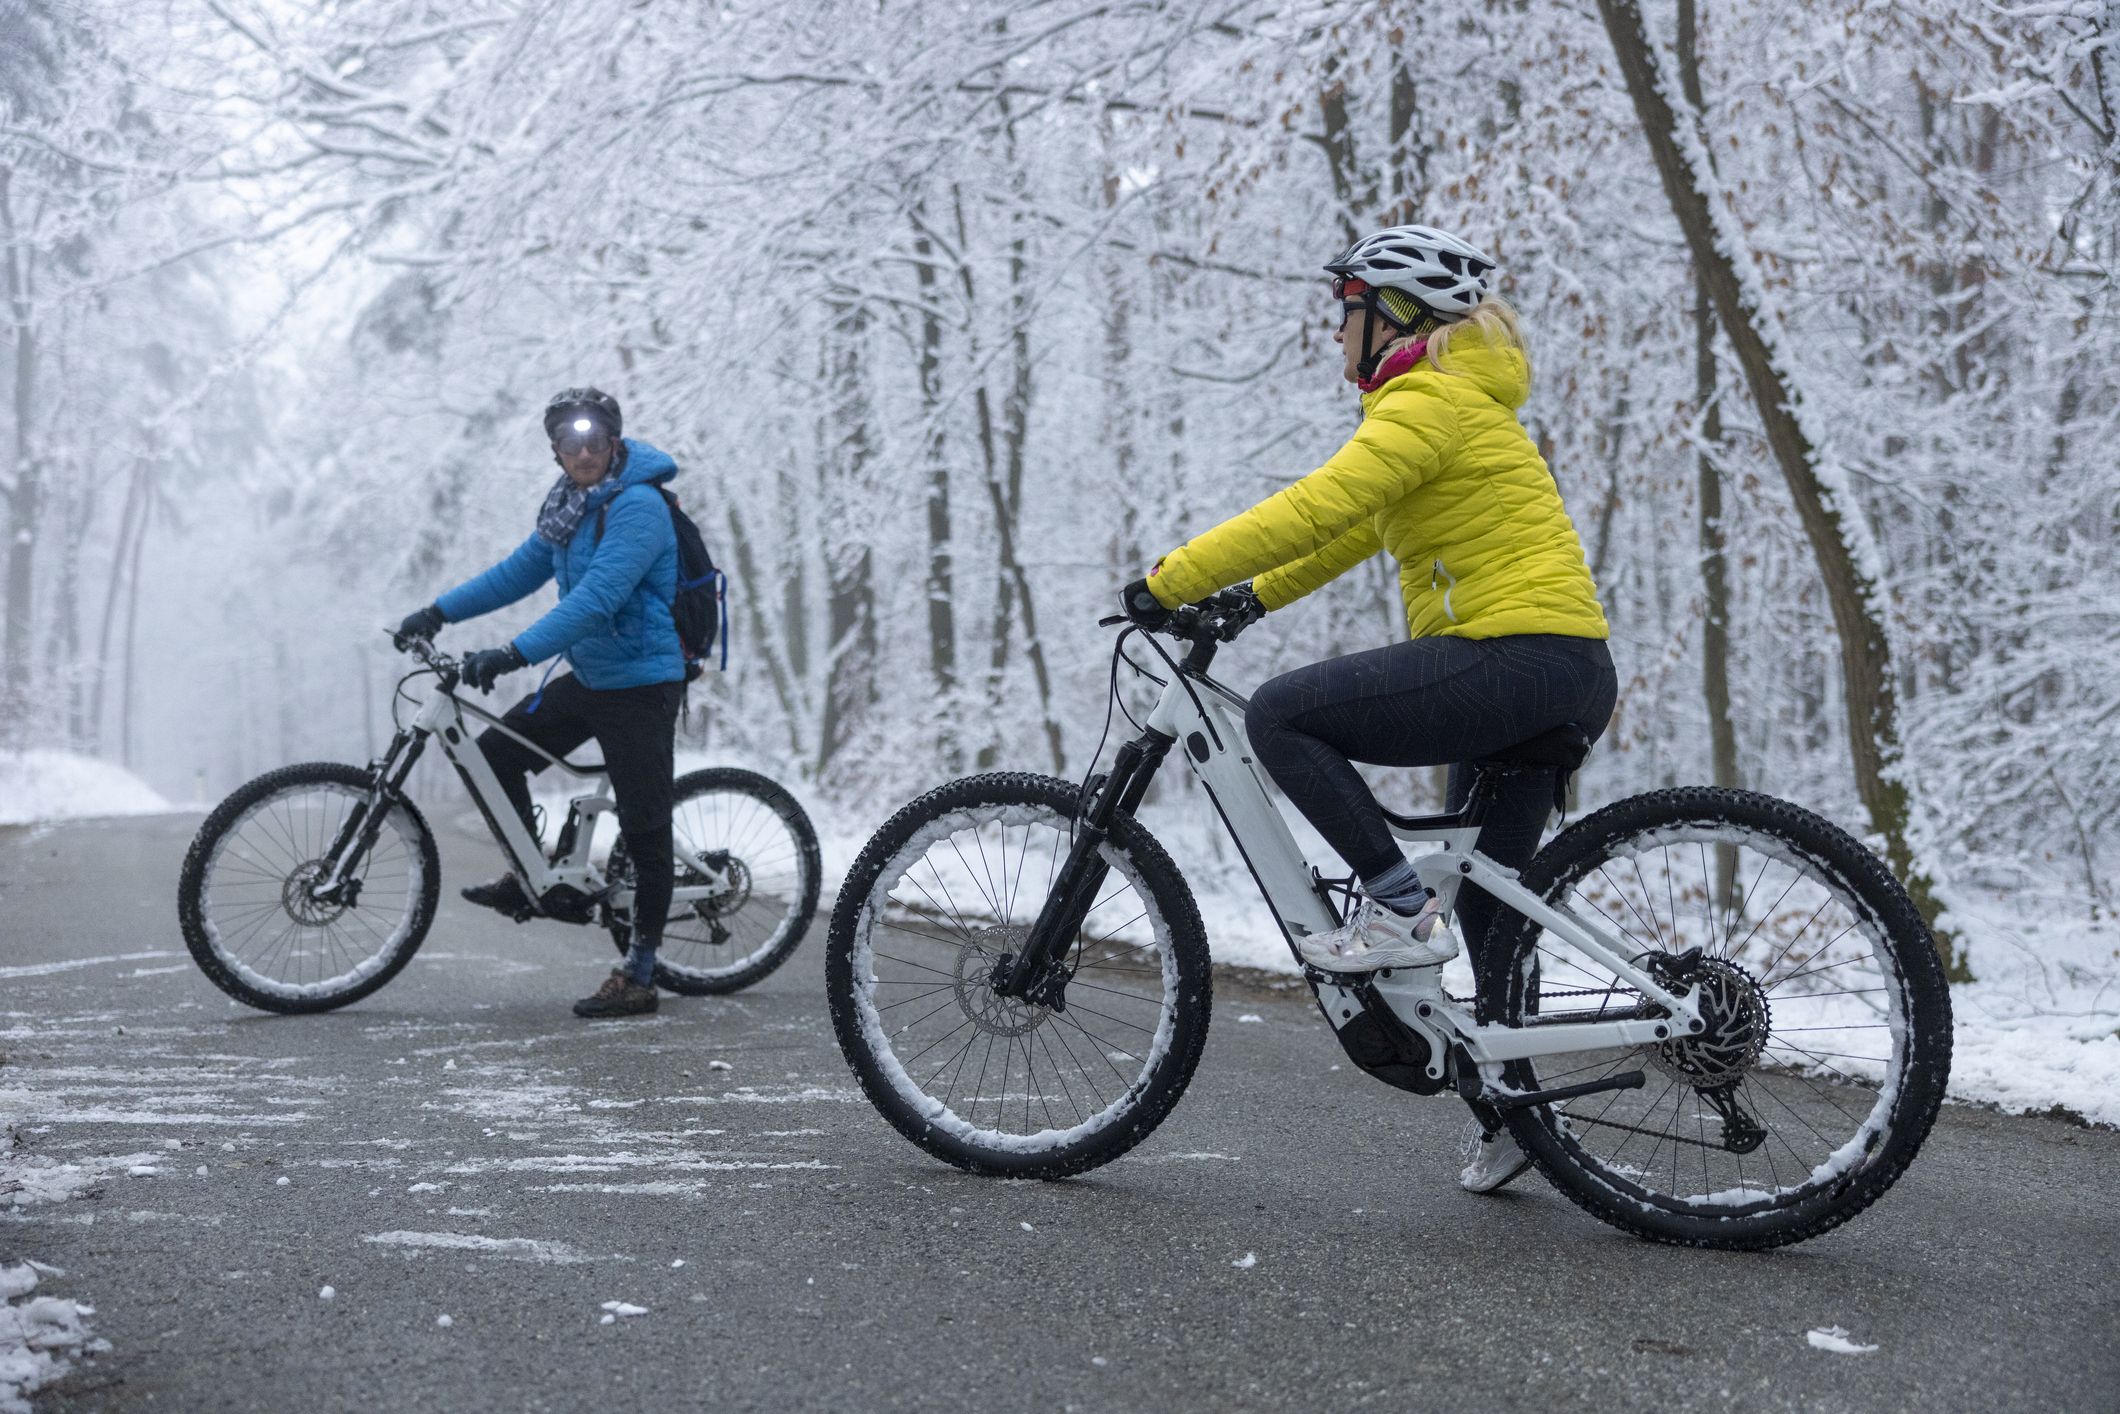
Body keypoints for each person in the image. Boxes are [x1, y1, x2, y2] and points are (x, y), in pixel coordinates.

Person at [1118, 225, 1617, 1191]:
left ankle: (1394, 912)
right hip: (1562, 665)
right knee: (1492, 904)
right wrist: (1251, 597)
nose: (1333, 331)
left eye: (1344, 309)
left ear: (1393, 314)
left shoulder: (1426, 399)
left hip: (1512, 655)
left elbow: (1315, 504)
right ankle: (1517, 1114)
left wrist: (1168, 580)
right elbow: (1350, 530)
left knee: (1281, 716)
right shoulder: (1452, 405)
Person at [395, 387, 686, 1020]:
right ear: (555, 452)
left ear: (613, 442)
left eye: (593, 439)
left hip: (641, 684)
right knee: (497, 752)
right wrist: (439, 612)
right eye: (568, 441)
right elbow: (515, 573)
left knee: (643, 824)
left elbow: (598, 600)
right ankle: (532, 874)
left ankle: (639, 971)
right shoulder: (570, 509)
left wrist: (513, 652)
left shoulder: (637, 507)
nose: (582, 451)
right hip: (592, 676)